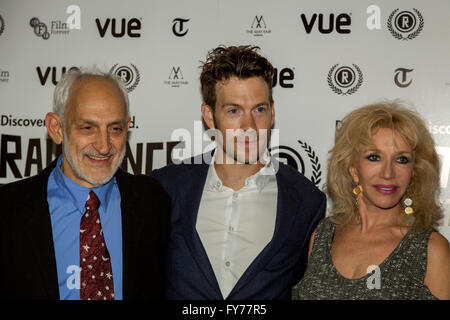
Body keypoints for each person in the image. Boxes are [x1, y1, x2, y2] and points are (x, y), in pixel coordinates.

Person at [151, 45, 326, 300]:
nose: (249, 126)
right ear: (210, 116)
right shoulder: (166, 187)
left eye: (259, 109)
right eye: (234, 111)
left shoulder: (305, 201)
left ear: (272, 111)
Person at [0, 68, 171, 299]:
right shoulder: (7, 209)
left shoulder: (153, 202)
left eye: (115, 129)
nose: (103, 146)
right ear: (56, 129)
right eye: (87, 128)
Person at [292, 101, 450, 300]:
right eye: (374, 157)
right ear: (353, 169)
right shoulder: (323, 235)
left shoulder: (431, 250)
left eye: (401, 159)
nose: (388, 173)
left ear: (414, 172)